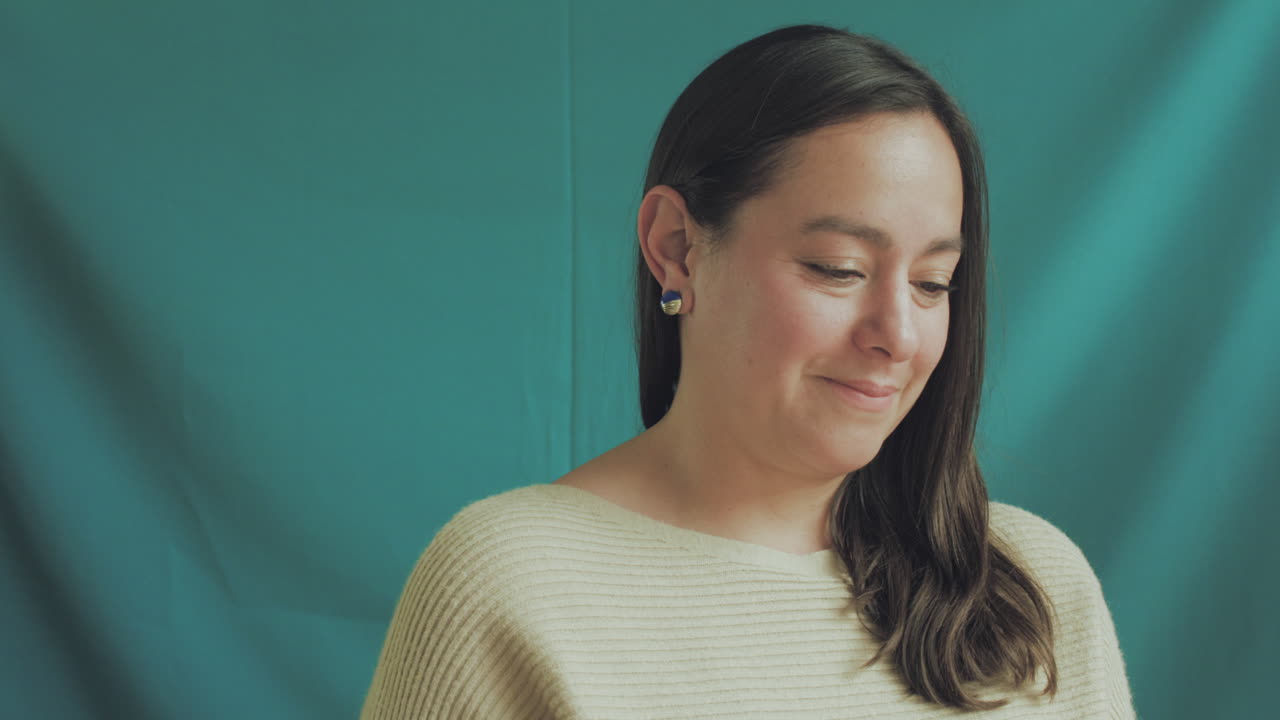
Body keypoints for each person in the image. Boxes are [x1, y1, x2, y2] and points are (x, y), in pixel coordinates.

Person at [359, 24, 1137, 719]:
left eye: (933, 283)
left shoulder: (1031, 583)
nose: (898, 336)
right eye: (837, 268)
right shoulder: (508, 584)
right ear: (677, 248)